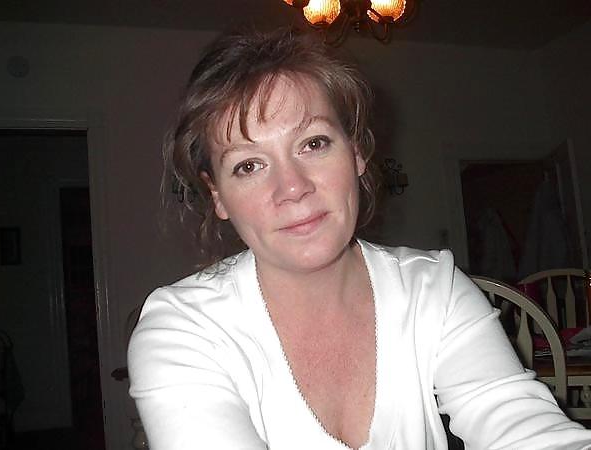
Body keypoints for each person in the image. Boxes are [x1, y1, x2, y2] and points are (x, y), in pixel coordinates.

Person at [127, 28, 591, 450]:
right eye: (249, 165)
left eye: (313, 143)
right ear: (217, 195)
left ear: (356, 152)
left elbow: (523, 427)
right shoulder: (183, 328)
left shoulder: (434, 290)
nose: (293, 188)